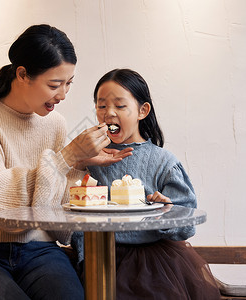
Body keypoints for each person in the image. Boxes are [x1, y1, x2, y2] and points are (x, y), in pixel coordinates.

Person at [0, 25, 132, 300]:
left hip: (39, 249)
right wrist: (66, 157)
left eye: (68, 83)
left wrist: (77, 165)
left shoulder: (54, 124)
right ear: (22, 74)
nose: (63, 95)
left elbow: (55, 219)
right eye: (54, 85)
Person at [71, 68, 221, 300]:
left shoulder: (163, 161)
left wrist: (166, 211)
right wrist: (78, 159)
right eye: (101, 106)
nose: (108, 113)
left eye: (120, 106)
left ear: (143, 110)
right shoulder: (88, 158)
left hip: (152, 264)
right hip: (97, 256)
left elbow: (186, 226)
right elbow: (74, 214)